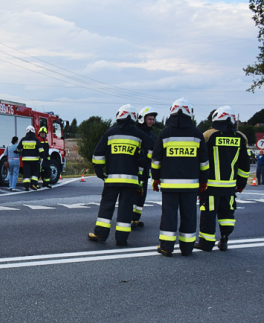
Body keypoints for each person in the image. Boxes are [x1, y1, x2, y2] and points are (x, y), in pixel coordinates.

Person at [151, 98, 209, 257]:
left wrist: (155, 178)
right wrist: (204, 180)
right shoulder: (197, 134)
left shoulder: (165, 133)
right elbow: (204, 162)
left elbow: (156, 160)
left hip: (169, 184)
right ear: (190, 113)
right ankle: (187, 248)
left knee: (169, 215)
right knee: (189, 215)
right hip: (191, 185)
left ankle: (166, 247)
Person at [87, 104, 148, 246]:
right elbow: (152, 148)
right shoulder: (139, 134)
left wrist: (99, 171)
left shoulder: (110, 133)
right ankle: (122, 238)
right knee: (126, 209)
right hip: (131, 181)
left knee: (107, 205)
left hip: (112, 179)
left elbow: (98, 153)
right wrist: (143, 161)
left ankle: (100, 234)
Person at [195, 107, 250, 252]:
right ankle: (224, 239)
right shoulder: (241, 137)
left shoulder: (208, 135)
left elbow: (200, 159)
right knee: (227, 214)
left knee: (208, 213)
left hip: (210, 186)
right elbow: (245, 164)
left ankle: (206, 243)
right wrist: (241, 183)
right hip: (230, 186)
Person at [132, 106, 158, 228]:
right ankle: (129, 218)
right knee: (132, 196)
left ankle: (136, 218)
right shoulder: (135, 132)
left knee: (142, 196)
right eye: (149, 119)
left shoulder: (153, 136)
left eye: (153, 119)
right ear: (142, 119)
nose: (151, 122)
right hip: (134, 170)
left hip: (145, 171)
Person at [16, 126, 42, 191]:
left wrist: (16, 151)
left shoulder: (23, 139)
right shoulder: (36, 140)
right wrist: (43, 156)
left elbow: (19, 149)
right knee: (34, 172)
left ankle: (26, 186)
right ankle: (33, 185)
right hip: (35, 160)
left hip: (26, 160)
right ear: (34, 131)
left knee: (26, 173)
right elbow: (40, 149)